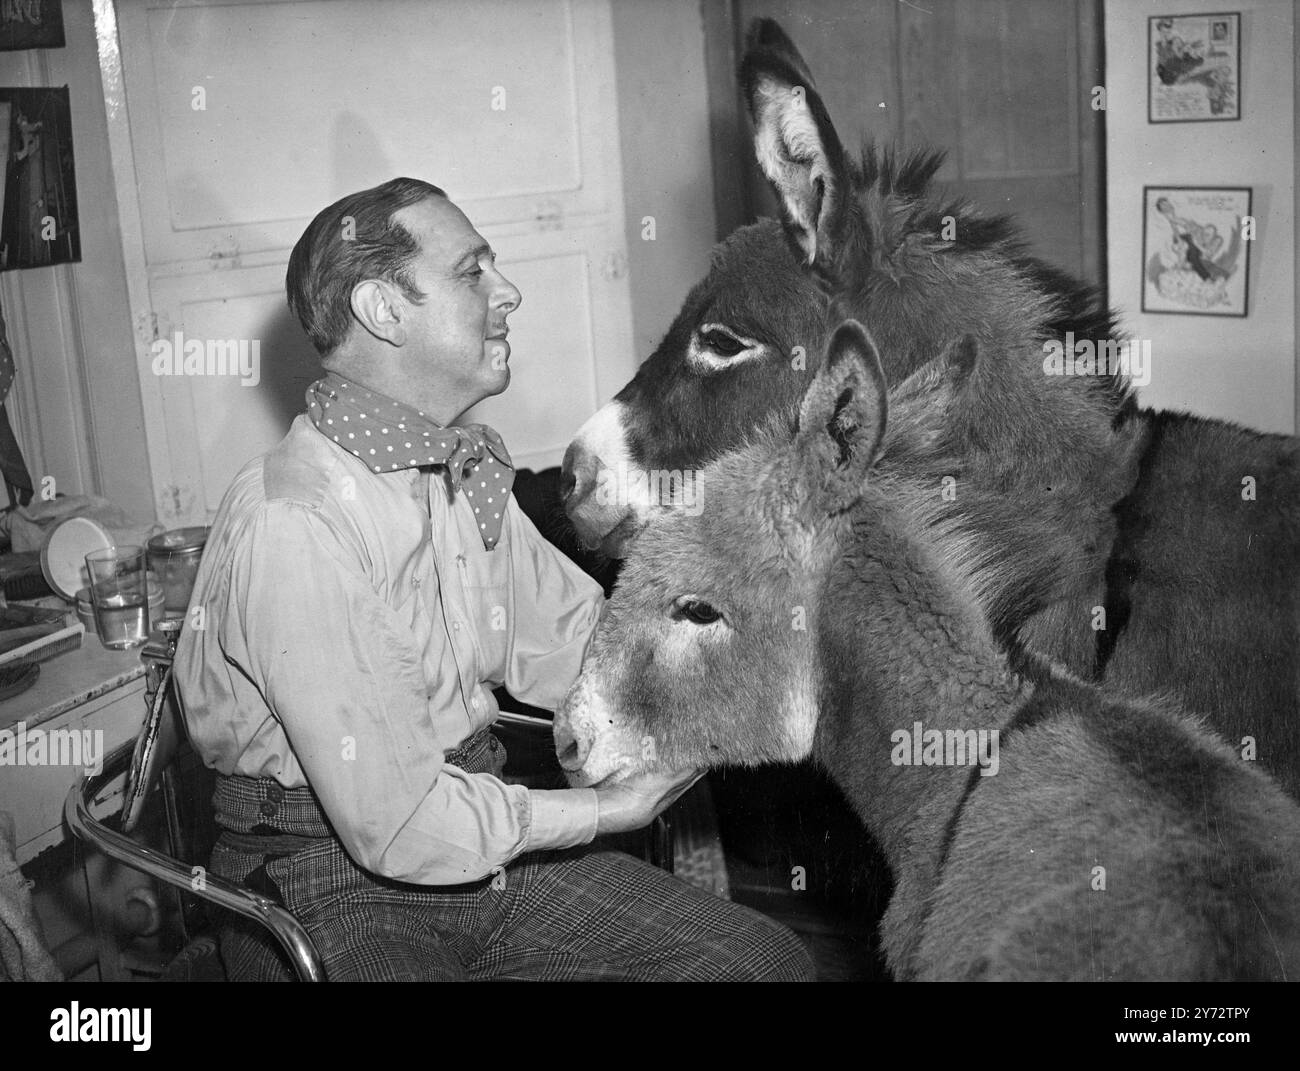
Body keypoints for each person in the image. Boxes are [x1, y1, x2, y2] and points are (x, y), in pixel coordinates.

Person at [172, 177, 814, 982]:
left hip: (483, 841)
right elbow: (397, 822)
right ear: (384, 309)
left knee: (763, 964)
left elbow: (582, 646)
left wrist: (745, 654)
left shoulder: (454, 468)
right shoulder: (293, 522)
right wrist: (605, 809)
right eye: (472, 271)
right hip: (325, 876)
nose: (506, 292)